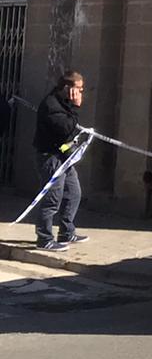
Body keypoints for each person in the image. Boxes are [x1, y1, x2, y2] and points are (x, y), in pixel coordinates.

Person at [31, 70, 88, 252]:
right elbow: (65, 129)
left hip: (64, 157)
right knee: (52, 199)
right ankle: (45, 238)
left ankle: (66, 231)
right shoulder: (52, 105)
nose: (80, 93)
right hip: (51, 158)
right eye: (78, 89)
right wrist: (75, 107)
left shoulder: (62, 104)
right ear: (67, 88)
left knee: (73, 192)